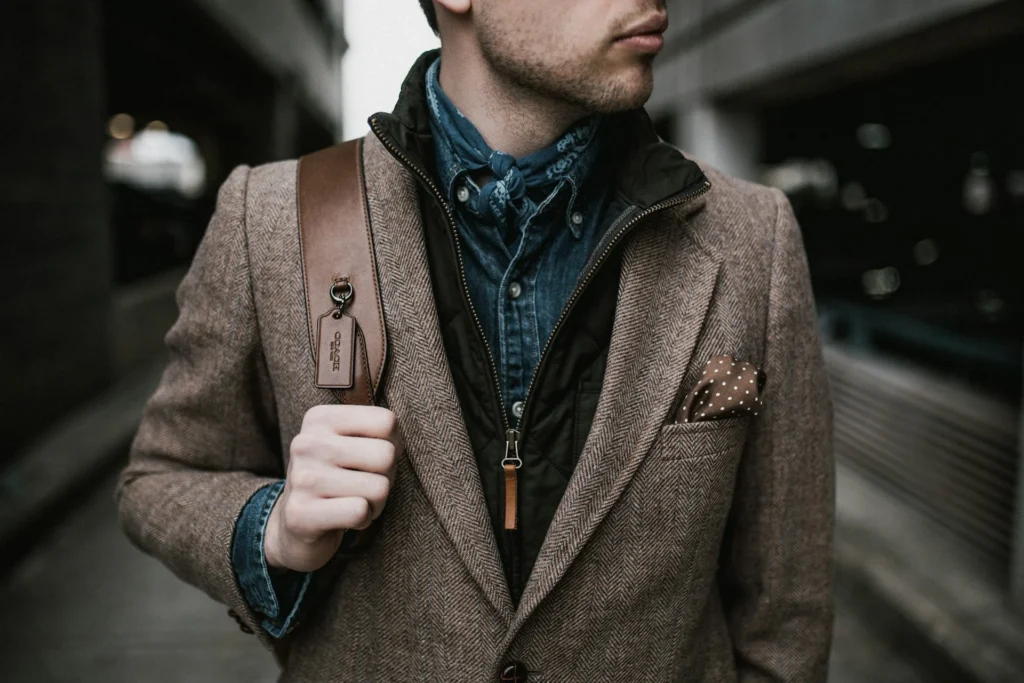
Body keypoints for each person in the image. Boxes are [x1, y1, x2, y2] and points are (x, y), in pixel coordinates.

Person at [117, 1, 834, 680]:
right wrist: (271, 530)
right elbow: (161, 476)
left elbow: (787, 609)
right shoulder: (268, 217)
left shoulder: (752, 236)